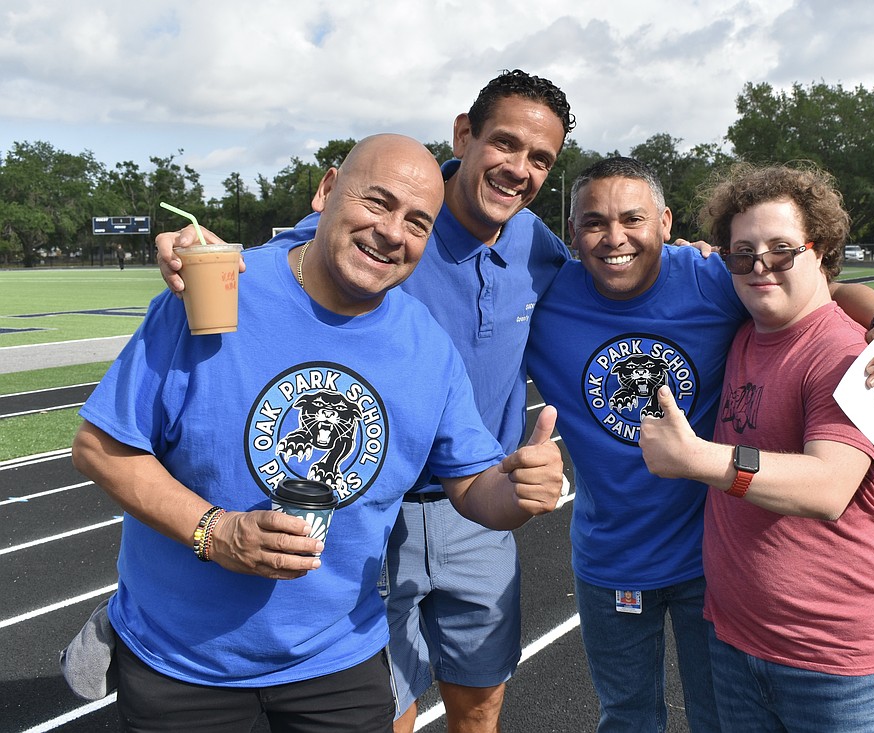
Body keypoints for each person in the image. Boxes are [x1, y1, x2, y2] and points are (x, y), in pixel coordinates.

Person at [71, 133, 565, 732]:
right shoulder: (214, 292)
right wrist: (217, 533)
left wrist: (517, 491)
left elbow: (473, 486)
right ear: (327, 190)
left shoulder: (425, 347)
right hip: (184, 663)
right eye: (377, 203)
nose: (392, 233)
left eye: (417, 222)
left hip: (338, 656)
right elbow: (101, 446)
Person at [525, 157, 874, 732]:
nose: (614, 238)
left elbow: (816, 288)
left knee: (713, 720)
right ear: (571, 230)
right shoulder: (543, 300)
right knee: (626, 718)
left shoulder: (712, 277)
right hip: (612, 558)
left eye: (632, 218)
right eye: (592, 223)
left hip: (706, 563)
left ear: (664, 221)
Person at [638, 162, 874, 732]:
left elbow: (828, 487)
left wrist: (698, 459)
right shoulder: (744, 327)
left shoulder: (846, 354)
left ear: (822, 251)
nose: (761, 265)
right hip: (736, 641)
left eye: (782, 249)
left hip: (831, 661)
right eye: (744, 253)